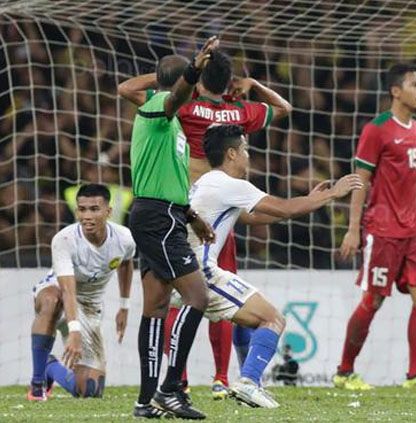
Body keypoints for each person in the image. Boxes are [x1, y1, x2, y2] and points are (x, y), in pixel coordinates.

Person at [119, 48, 292, 399]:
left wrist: (176, 76)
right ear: (229, 81)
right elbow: (286, 108)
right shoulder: (240, 111)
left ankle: (173, 382)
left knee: (171, 300)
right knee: (221, 296)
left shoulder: (182, 106)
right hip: (213, 212)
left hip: (188, 209)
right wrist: (254, 84)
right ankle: (221, 377)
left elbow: (127, 89)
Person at [189, 124, 362, 407]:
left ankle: (248, 382)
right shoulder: (229, 184)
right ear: (232, 154)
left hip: (186, 271)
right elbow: (284, 207)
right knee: (273, 319)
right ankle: (248, 382)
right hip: (201, 272)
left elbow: (255, 218)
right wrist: (331, 195)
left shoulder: (210, 183)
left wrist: (312, 201)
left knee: (242, 317)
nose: (248, 155)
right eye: (245, 150)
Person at [334, 63, 416, 390]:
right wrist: (353, 229)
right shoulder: (377, 129)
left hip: (415, 228)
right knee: (373, 300)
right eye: (415, 84)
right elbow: (360, 181)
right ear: (395, 91)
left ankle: (415, 375)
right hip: (382, 230)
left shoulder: (415, 128)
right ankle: (344, 372)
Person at [121, 36, 218, 420]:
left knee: (157, 308)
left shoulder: (165, 116)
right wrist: (188, 71)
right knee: (198, 296)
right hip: (157, 218)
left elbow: (125, 86)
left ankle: (145, 401)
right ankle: (172, 388)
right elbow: (172, 94)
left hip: (167, 215)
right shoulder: (161, 106)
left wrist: (192, 216)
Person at [28, 184, 134, 400]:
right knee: (51, 299)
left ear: (108, 211)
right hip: (58, 292)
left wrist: (124, 306)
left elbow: (126, 263)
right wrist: (74, 331)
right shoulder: (64, 239)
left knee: (90, 391)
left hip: (91, 307)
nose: (87, 216)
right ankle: (37, 383)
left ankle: (50, 366)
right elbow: (67, 290)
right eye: (82, 209)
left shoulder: (124, 238)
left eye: (94, 209)